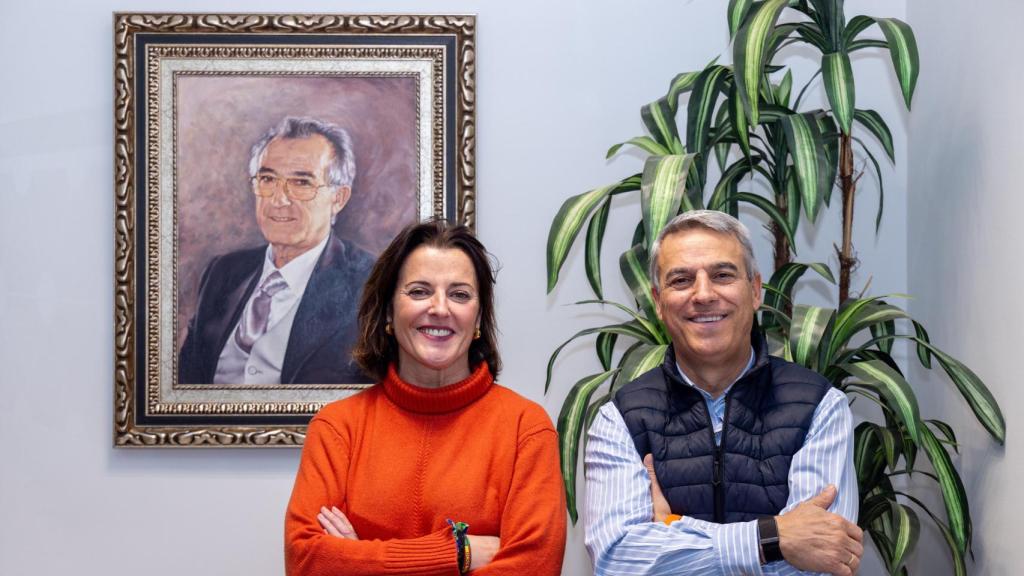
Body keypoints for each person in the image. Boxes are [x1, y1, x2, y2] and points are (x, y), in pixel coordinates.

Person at [584, 210, 862, 575]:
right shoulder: (620, 419)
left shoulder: (820, 407)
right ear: (657, 301)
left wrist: (672, 529)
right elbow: (618, 560)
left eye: (722, 275)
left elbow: (821, 559)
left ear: (755, 290)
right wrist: (775, 538)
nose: (703, 294)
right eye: (681, 280)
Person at [284, 220, 567, 575]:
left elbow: (534, 567)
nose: (440, 308)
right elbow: (306, 561)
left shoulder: (526, 429)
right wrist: (457, 553)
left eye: (460, 294)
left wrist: (359, 560)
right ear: (388, 311)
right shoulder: (338, 429)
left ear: (478, 317)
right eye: (419, 291)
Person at [179, 116, 374, 384]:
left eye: (301, 182)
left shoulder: (371, 284)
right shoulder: (223, 273)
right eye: (268, 179)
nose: (279, 199)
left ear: (338, 199)